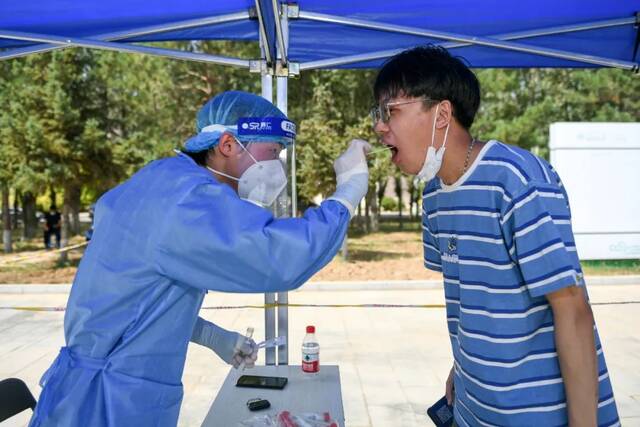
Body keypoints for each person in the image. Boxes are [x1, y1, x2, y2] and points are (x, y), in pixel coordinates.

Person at [30, 90, 371, 427]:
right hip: (105, 403)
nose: (276, 166)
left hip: (92, 389)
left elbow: (136, 301)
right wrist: (347, 194)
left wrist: (212, 336)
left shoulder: (162, 181)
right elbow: (276, 257)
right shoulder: (185, 201)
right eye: (273, 151)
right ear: (227, 145)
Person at [371, 46, 618, 426]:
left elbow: (572, 309)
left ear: (442, 114)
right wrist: (463, 368)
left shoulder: (517, 180)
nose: (379, 127)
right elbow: (472, 301)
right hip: (473, 410)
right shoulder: (435, 194)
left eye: (391, 111)